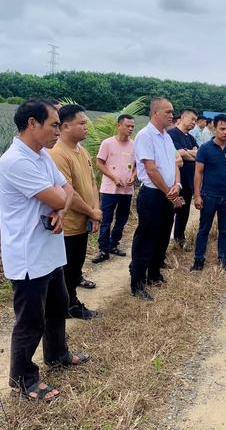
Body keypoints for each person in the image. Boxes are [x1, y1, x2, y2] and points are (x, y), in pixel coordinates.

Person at [0, 99, 89, 401]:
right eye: (53, 124)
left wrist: (60, 209)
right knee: (30, 320)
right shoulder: (16, 161)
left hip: (48, 251)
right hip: (29, 255)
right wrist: (60, 204)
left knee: (57, 305)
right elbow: (56, 194)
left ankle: (57, 354)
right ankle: (23, 378)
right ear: (32, 124)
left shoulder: (41, 156)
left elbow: (67, 191)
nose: (57, 130)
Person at [49, 104, 101, 320]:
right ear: (66, 126)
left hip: (84, 220)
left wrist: (95, 210)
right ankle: (69, 305)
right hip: (68, 225)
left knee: (76, 265)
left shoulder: (83, 151)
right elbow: (69, 193)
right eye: (81, 123)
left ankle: (70, 302)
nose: (86, 126)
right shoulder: (58, 154)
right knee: (68, 268)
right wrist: (91, 211)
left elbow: (91, 182)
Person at [129, 97, 182, 300]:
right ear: (155, 113)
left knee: (162, 236)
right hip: (152, 194)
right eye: (168, 111)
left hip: (167, 193)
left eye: (172, 111)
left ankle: (154, 273)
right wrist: (168, 190)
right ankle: (138, 282)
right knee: (146, 238)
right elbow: (150, 169)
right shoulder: (145, 135)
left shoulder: (166, 137)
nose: (171, 115)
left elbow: (174, 164)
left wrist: (176, 186)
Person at [191, 114, 226, 274]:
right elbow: (198, 173)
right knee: (204, 228)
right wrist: (197, 195)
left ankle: (224, 259)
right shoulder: (205, 149)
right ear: (214, 128)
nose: (225, 132)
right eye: (222, 129)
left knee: (225, 230)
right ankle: (199, 260)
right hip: (208, 195)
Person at [92, 114, 136, 264]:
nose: (130, 129)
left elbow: (137, 166)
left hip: (126, 190)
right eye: (127, 126)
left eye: (132, 127)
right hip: (109, 189)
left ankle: (113, 244)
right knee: (106, 220)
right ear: (119, 125)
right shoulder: (108, 143)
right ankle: (103, 249)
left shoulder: (134, 145)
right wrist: (113, 177)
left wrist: (133, 176)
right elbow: (99, 163)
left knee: (122, 220)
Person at [168, 108, 198, 249]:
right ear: (183, 117)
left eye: (195, 121)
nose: (194, 123)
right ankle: (165, 238)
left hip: (188, 181)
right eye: (192, 119)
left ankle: (179, 237)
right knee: (170, 210)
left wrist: (186, 152)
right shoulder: (172, 134)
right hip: (174, 182)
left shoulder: (190, 137)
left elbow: (198, 155)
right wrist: (188, 153)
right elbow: (177, 154)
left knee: (184, 211)